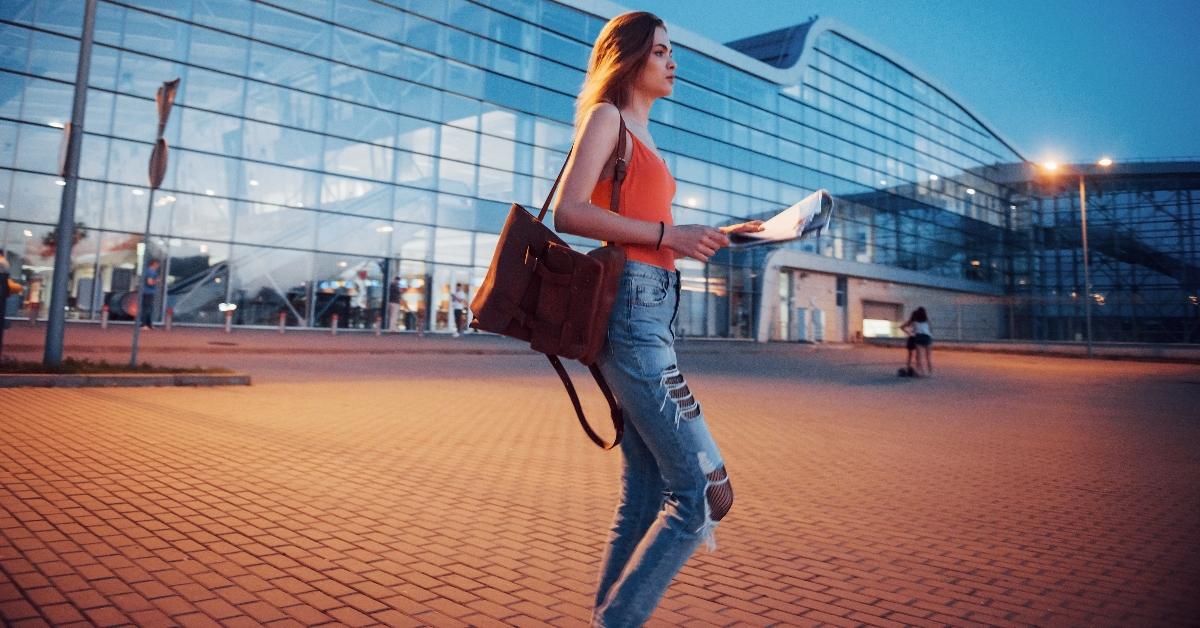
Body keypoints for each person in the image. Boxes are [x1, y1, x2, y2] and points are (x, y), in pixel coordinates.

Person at [553, 12, 763, 626]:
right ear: (630, 58)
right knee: (702, 494)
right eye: (662, 52)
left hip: (656, 308)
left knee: (646, 493)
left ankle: (606, 616)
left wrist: (720, 235)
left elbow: (651, 232)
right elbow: (569, 212)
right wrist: (672, 232)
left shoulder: (643, 132)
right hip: (631, 310)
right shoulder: (607, 119)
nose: (673, 62)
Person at [900, 307, 933, 376]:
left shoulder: (914, 322)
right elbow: (930, 329)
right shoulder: (927, 321)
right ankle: (930, 372)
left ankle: (921, 372)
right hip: (927, 337)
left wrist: (909, 333)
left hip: (918, 337)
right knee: (928, 356)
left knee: (918, 356)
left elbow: (907, 328)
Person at [140, 258, 159, 329]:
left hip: (146, 292)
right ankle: (144, 324)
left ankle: (148, 324)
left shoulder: (147, 271)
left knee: (148, 308)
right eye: (157, 265)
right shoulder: (151, 272)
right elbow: (149, 282)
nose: (157, 266)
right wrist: (156, 281)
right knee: (147, 308)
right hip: (148, 292)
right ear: (154, 264)